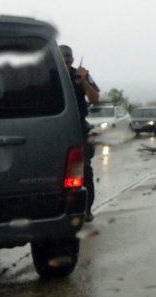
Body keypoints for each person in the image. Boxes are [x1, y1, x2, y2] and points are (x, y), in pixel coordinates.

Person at [59, 45, 100, 222]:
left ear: (73, 60)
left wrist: (83, 81)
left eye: (68, 58)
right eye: (63, 58)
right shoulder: (51, 75)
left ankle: (87, 209)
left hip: (78, 128)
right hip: (57, 128)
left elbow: (94, 99)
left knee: (84, 171)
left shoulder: (80, 75)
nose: (66, 61)